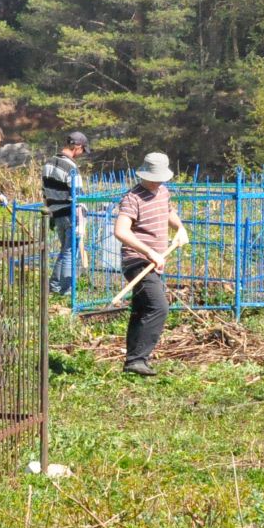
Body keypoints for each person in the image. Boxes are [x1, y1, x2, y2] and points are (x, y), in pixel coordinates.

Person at [113, 152, 188, 377]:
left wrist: (180, 228)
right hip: (136, 261)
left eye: (160, 178)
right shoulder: (132, 198)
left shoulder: (163, 192)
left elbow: (168, 212)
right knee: (159, 307)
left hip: (155, 261)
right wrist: (149, 252)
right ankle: (138, 360)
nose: (157, 182)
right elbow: (121, 231)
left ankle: (132, 362)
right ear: (143, 174)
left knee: (141, 310)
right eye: (153, 178)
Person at [41, 131, 89, 297]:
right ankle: (66, 290)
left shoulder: (48, 163)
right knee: (70, 252)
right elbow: (77, 197)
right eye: (83, 150)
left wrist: (51, 213)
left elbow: (45, 193)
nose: (82, 154)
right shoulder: (71, 168)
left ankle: (54, 286)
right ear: (77, 147)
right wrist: (80, 223)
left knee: (64, 250)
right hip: (71, 214)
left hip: (57, 213)